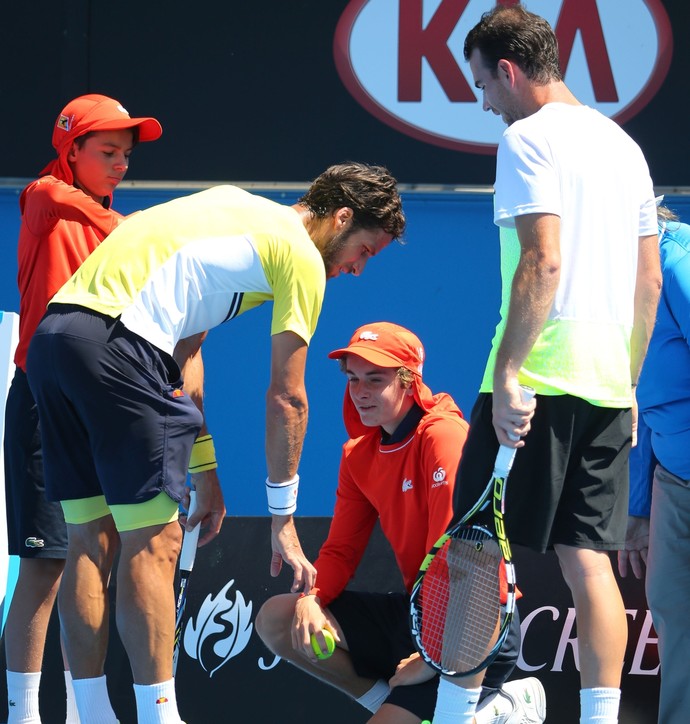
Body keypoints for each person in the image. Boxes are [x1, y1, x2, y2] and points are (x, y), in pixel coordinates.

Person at [25, 163, 405, 724]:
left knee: (89, 537)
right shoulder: (301, 257)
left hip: (55, 342)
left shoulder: (235, 209)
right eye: (364, 250)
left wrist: (205, 469)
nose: (357, 268)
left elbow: (182, 357)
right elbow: (288, 397)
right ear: (340, 218)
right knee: (155, 544)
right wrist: (282, 517)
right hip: (120, 347)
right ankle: (161, 718)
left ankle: (92, 715)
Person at [427, 5, 662, 724]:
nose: (484, 104)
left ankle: (451, 715)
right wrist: (625, 385)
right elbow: (647, 284)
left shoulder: (526, 139)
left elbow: (543, 258)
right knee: (588, 562)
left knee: (471, 555)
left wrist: (507, 374)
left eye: (481, 87)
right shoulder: (625, 147)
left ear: (508, 70)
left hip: (537, 379)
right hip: (605, 385)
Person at [255, 321, 546, 724]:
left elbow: (454, 558)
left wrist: (430, 658)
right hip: (419, 616)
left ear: (409, 381)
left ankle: (496, 707)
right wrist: (314, 597)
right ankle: (431, 712)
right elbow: (342, 548)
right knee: (279, 619)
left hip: (472, 625)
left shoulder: (443, 435)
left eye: (375, 379)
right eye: (354, 379)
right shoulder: (358, 456)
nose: (360, 392)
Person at [3, 93, 162, 724]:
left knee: (93, 554)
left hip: (98, 400)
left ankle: (84, 711)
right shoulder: (46, 195)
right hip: (42, 400)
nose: (121, 164)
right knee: (45, 562)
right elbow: (48, 195)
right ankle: (22, 715)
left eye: (126, 155)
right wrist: (132, 233)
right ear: (70, 151)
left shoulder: (108, 219)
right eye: (107, 152)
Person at [618, 204, 690, 723]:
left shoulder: (678, 264)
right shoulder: (615, 277)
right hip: (671, 477)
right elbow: (634, 394)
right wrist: (638, 507)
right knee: (669, 603)